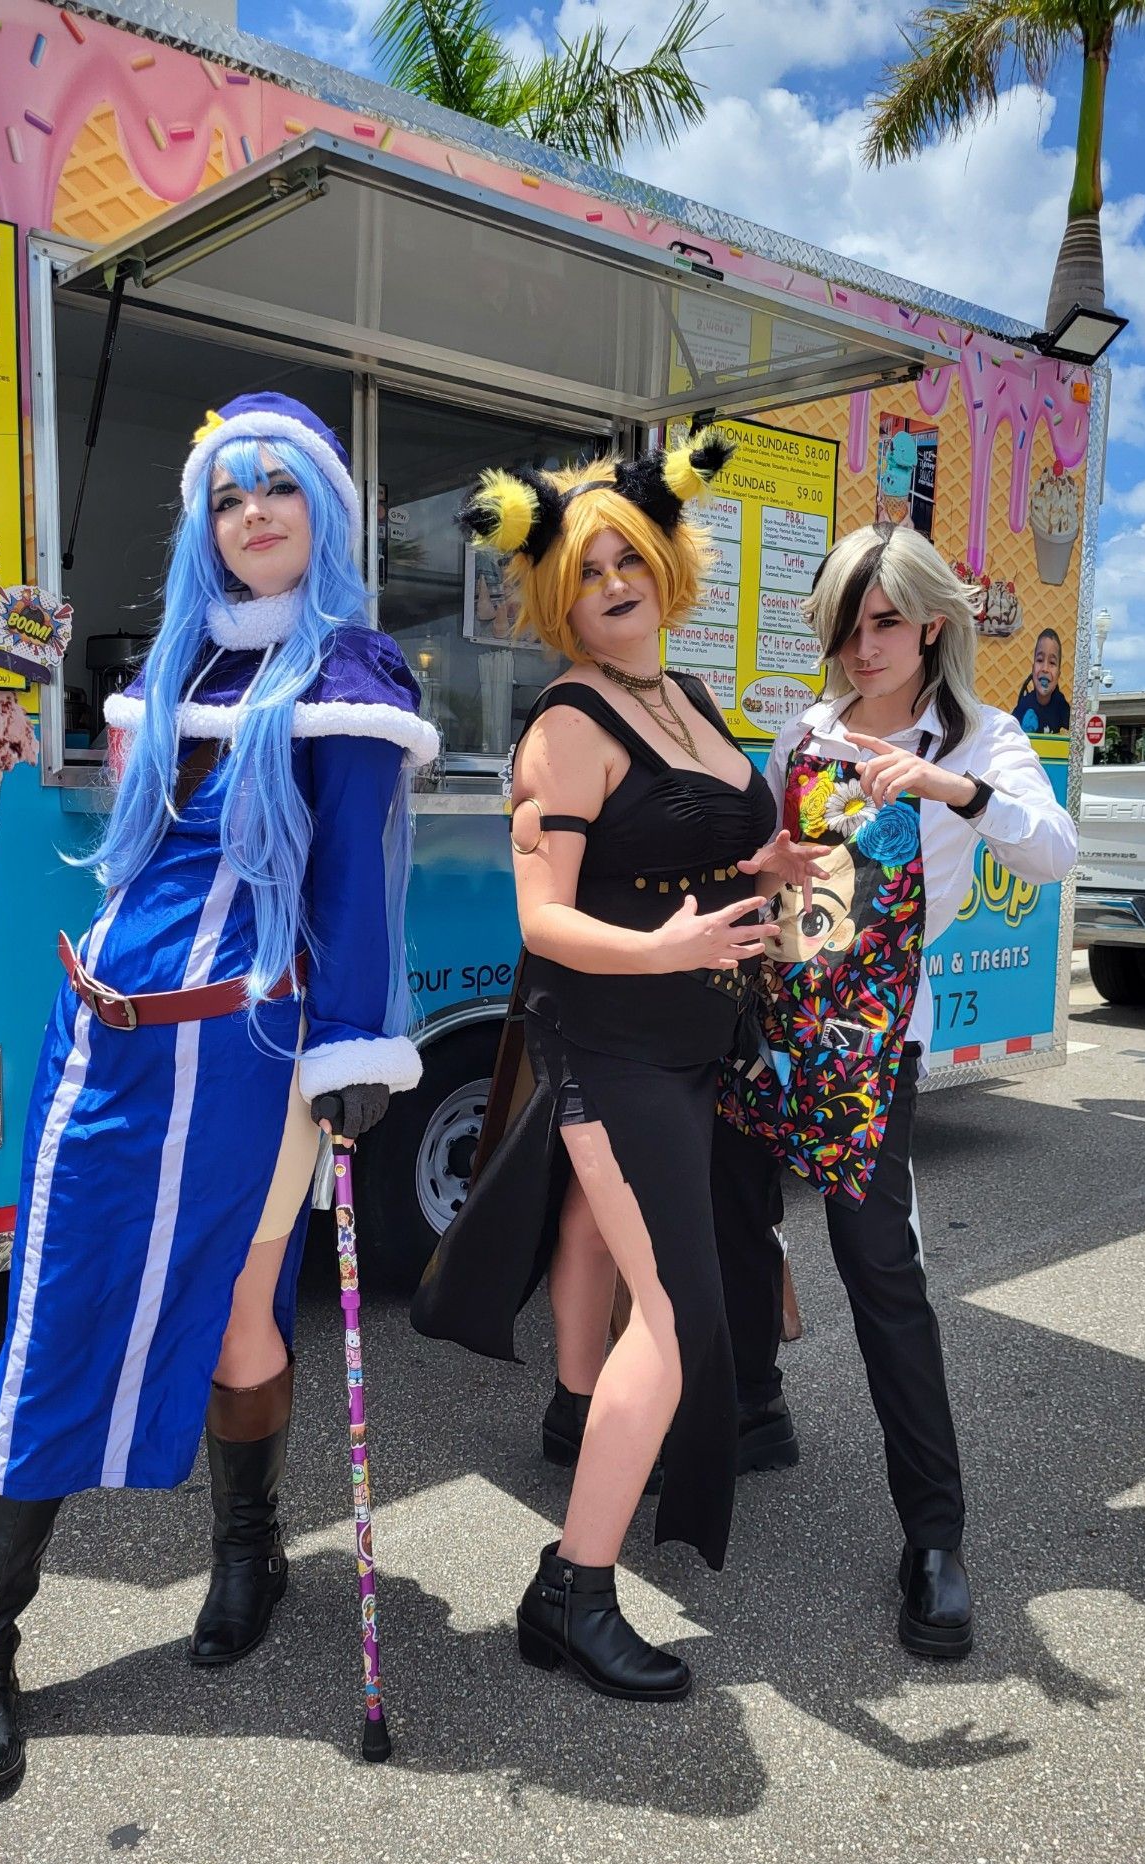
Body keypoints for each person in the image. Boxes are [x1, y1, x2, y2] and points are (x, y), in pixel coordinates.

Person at [0, 391, 438, 1796]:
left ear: (324, 511)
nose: (255, 513)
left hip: (250, 1057)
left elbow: (354, 883)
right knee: (57, 1310)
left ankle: (248, 1553)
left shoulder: (351, 670)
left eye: (281, 488)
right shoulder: (171, 664)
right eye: (229, 494)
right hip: (100, 1038)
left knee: (235, 1315)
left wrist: (354, 1050)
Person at [411, 436, 824, 1702]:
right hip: (616, 1048)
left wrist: (766, 873)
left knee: (656, 1284)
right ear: (560, 601)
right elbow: (544, 923)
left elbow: (709, 841)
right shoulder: (566, 725)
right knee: (686, 1322)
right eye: (586, 572)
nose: (610, 582)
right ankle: (570, 1590)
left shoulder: (689, 701)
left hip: (707, 1044)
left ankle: (584, 1461)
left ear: (663, 566)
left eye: (626, 559)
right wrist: (677, 941)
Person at [711, 523, 1077, 1660]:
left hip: (876, 1048)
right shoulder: (805, 730)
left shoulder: (982, 735)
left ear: (931, 622)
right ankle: (756, 1405)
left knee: (882, 1272)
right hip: (778, 1017)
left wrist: (950, 789)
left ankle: (935, 1537)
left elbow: (1052, 852)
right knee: (735, 1218)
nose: (861, 647)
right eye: (843, 625)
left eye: (882, 622)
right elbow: (777, 860)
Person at [1011, 627, 1070, 734]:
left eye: (1052, 663)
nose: (1045, 668)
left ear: (1058, 675)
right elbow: (1010, 735)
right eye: (1040, 660)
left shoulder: (1061, 706)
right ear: (1033, 670)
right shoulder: (1024, 705)